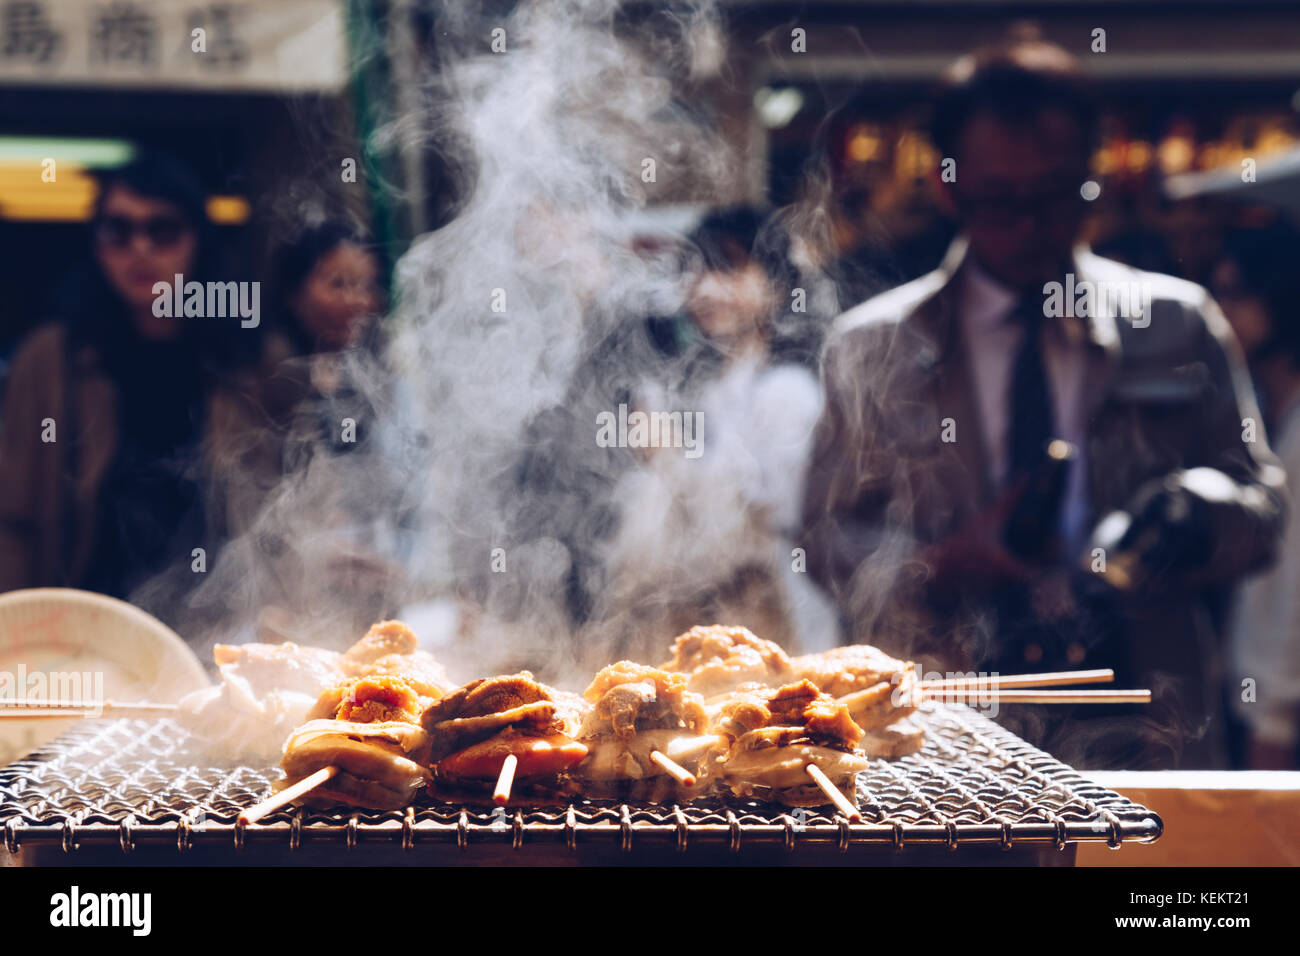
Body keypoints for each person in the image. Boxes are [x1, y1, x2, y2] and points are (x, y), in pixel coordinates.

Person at [799, 35, 1285, 769]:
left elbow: (1263, 512)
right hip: (945, 734)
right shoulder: (871, 345)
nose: (1029, 226)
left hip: (1146, 725)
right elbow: (825, 539)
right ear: (947, 186)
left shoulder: (1178, 321)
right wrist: (940, 563)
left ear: (1092, 178)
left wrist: (1198, 515)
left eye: (1055, 198)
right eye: (1001, 201)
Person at [0, 153, 250, 623]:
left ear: (197, 240)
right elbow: (14, 516)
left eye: (162, 230)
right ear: (96, 246)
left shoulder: (245, 357)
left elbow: (279, 506)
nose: (140, 249)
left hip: (219, 623)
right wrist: (18, 632)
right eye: (118, 230)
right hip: (81, 622)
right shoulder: (51, 356)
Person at [1214, 234, 1300, 769]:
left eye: (1237, 293)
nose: (1220, 311)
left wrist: (1272, 719)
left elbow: (1290, 585)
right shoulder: (1269, 408)